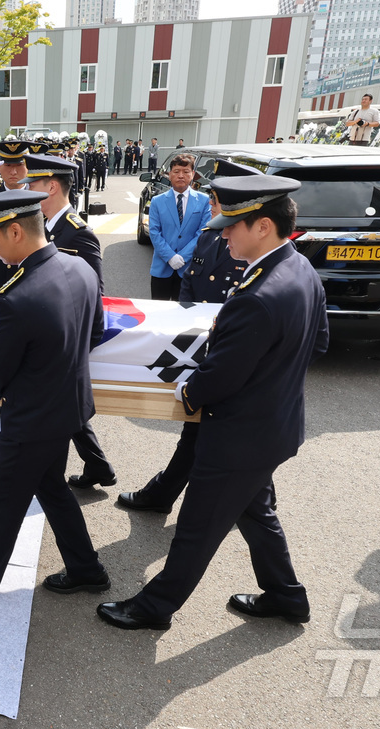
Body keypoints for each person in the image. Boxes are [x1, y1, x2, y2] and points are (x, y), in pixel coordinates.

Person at [98, 174, 328, 630]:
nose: (222, 234)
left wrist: (187, 392)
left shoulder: (260, 294)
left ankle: (154, 607)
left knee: (197, 528)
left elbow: (217, 379)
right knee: (256, 512)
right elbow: (317, 344)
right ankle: (287, 597)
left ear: (263, 226)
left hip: (239, 438)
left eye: (232, 225)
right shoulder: (298, 268)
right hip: (272, 426)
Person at [0, 189, 110, 603]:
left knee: (7, 502)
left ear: (15, 231)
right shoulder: (80, 267)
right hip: (70, 409)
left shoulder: (17, 297)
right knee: (51, 487)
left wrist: (16, 390)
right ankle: (87, 568)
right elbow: (96, 332)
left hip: (31, 419)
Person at [118, 160, 257, 514]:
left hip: (235, 367)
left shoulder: (266, 262)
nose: (213, 214)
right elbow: (190, 286)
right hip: (205, 351)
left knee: (223, 454)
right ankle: (166, 495)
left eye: (218, 207)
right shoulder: (212, 238)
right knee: (197, 434)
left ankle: (180, 501)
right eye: (212, 205)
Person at [20, 153, 116, 491]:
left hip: (64, 343)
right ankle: (98, 466)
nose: (27, 188)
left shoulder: (77, 232)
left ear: (52, 186)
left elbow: (95, 296)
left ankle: (25, 476)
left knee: (57, 407)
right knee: (67, 407)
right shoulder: (46, 227)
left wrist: (77, 348)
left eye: (33, 183)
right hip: (49, 340)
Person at [147, 153, 211, 301]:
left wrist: (182, 257)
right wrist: (170, 256)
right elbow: (154, 232)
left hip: (189, 268)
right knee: (159, 313)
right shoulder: (157, 201)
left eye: (186, 172)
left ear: (193, 174)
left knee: (184, 313)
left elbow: (202, 233)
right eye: (176, 172)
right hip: (162, 267)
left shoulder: (204, 201)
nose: (181, 175)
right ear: (169, 174)